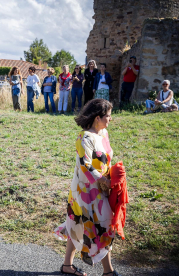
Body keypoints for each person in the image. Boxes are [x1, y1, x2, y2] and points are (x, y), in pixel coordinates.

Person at [54, 99, 121, 276]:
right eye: (108, 116)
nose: (110, 119)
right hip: (85, 191)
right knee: (102, 226)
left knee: (78, 224)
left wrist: (113, 175)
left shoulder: (104, 133)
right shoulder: (84, 137)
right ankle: (108, 271)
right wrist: (104, 180)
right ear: (98, 117)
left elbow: (106, 158)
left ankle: (67, 265)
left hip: (101, 189)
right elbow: (86, 165)